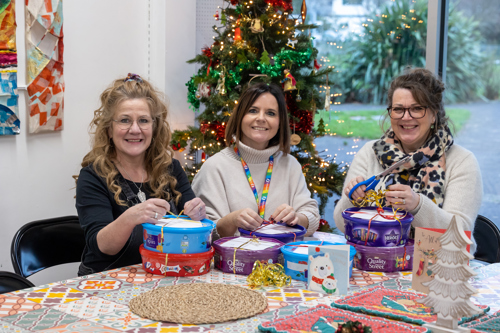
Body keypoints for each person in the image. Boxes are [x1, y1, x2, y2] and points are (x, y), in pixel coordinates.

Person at [333, 68, 482, 253]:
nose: (406, 117)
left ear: (434, 114)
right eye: (398, 109)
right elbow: (341, 224)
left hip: (435, 273)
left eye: (417, 108)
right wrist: (352, 199)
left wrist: (418, 206)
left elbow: (461, 236)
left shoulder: (461, 161)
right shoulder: (370, 153)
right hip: (375, 267)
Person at [76, 73, 206, 275]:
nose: (135, 129)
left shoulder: (171, 168)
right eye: (125, 120)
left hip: (163, 274)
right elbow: (102, 246)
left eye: (143, 120)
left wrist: (197, 213)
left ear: (154, 127)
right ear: (109, 129)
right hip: (108, 279)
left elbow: (191, 225)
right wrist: (131, 217)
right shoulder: (93, 176)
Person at [192, 82, 320, 238]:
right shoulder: (214, 167)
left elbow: (312, 217)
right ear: (240, 117)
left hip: (281, 260)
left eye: (271, 113)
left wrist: (296, 218)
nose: (261, 118)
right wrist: (232, 220)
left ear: (280, 122)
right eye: (253, 111)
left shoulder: (290, 164)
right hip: (234, 261)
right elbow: (202, 232)